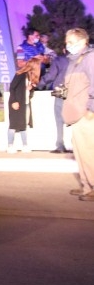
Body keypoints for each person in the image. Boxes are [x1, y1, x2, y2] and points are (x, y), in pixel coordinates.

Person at [60, 28, 94, 201]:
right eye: (67, 42)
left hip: (86, 114)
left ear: (82, 42)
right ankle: (86, 186)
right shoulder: (74, 61)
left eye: (71, 42)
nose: (68, 45)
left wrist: (90, 110)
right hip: (75, 114)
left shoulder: (90, 58)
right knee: (80, 153)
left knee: (89, 152)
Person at [7, 55, 40, 153]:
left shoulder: (29, 76)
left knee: (23, 124)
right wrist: (14, 101)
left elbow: (27, 90)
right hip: (16, 102)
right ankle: (10, 146)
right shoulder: (20, 74)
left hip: (25, 103)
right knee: (13, 124)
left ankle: (25, 145)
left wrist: (31, 88)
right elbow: (12, 87)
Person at [42, 49, 70, 153]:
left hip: (60, 91)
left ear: (63, 50)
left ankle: (60, 145)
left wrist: (39, 85)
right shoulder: (80, 59)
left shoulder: (59, 60)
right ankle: (76, 144)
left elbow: (51, 76)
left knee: (59, 119)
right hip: (76, 91)